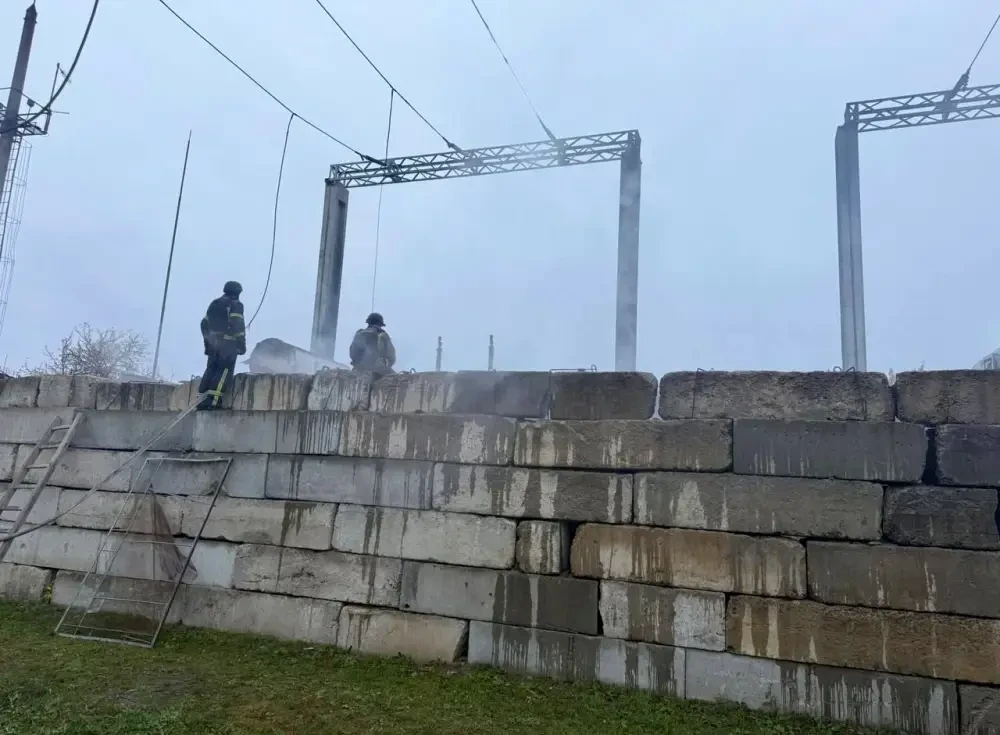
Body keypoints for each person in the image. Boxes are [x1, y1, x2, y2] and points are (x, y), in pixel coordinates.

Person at [198, 281, 246, 410]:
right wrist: (241, 345)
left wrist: (208, 344)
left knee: (211, 369)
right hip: (228, 346)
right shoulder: (235, 304)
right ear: (238, 292)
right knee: (224, 372)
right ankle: (214, 401)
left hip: (214, 345)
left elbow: (204, 324)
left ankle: (202, 399)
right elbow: (238, 326)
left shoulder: (215, 304)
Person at [349, 312, 396, 377]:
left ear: (368, 323)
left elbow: (352, 354)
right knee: (396, 378)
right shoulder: (383, 335)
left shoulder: (359, 334)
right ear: (380, 324)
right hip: (378, 370)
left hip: (358, 369)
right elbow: (391, 357)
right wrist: (386, 366)